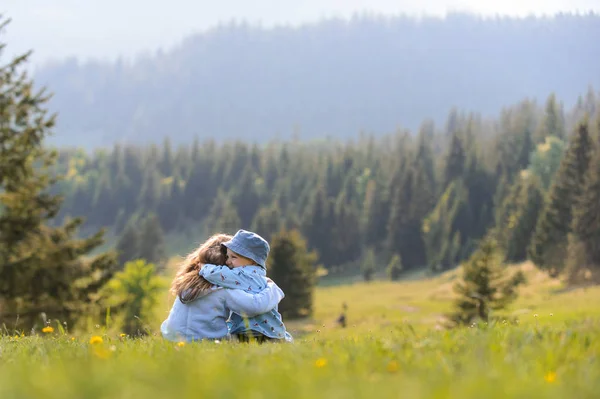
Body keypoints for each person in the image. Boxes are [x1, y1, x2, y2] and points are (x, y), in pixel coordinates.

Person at [160, 233, 285, 342]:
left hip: (171, 337)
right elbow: (255, 306)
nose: (228, 263)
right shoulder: (223, 288)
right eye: (228, 257)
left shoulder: (187, 283)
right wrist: (273, 289)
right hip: (205, 340)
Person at [200, 229, 293, 343]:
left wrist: (203, 266)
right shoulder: (260, 277)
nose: (228, 262)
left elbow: (213, 274)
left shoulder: (243, 274)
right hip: (272, 333)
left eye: (233, 257)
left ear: (252, 261)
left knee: (223, 343)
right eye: (227, 257)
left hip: (252, 333)